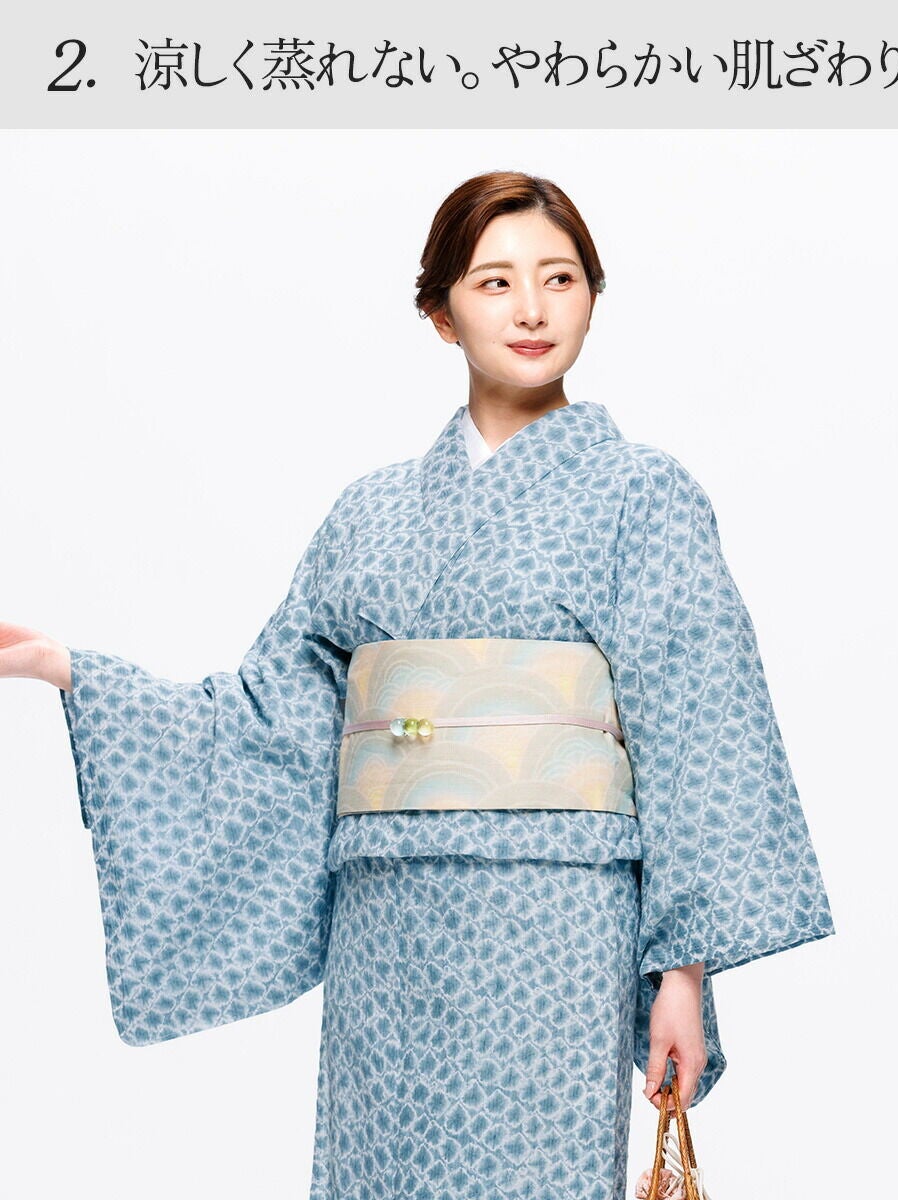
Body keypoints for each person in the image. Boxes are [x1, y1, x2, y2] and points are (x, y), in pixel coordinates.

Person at [0, 171, 835, 1200]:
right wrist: (69, 670)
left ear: (591, 296)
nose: (531, 310)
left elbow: (700, 730)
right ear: (442, 313)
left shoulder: (641, 495)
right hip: (387, 922)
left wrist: (682, 975)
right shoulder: (368, 515)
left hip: (555, 918)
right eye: (495, 282)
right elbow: (269, 721)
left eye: (559, 278)